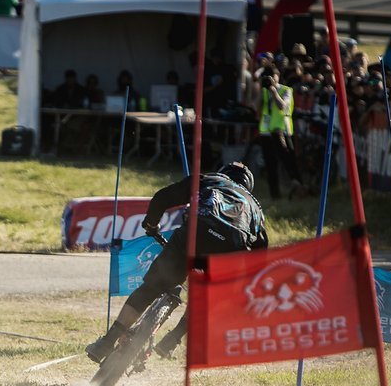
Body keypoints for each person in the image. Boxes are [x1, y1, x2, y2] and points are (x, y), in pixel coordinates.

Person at [86, 163, 267, 363]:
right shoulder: (255, 207)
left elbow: (163, 197)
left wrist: (152, 224)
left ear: (224, 173)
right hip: (231, 249)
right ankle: (173, 339)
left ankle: (107, 342)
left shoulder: (211, 179)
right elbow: (260, 255)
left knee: (151, 288)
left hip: (195, 233)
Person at [257, 68, 304, 199]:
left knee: (289, 160)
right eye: (266, 76)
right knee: (270, 164)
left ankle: (298, 186)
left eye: (272, 75)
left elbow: (282, 106)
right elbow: (258, 109)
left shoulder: (286, 90)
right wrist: (261, 93)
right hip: (266, 131)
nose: (269, 78)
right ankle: (275, 194)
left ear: (277, 76)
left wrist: (273, 91)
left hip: (282, 131)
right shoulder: (264, 91)